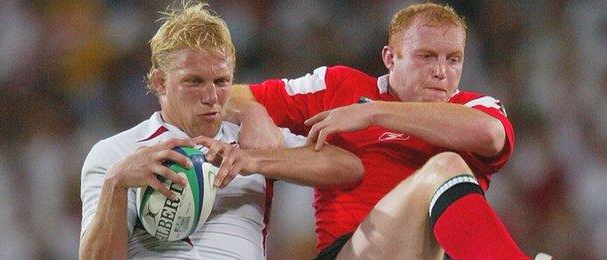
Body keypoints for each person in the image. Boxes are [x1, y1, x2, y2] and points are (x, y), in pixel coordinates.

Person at [228, 2, 552, 260]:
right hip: (353, 251)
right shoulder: (339, 86)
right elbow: (225, 95)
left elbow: (491, 135)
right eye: (426, 56)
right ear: (390, 58)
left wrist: (373, 112)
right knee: (446, 166)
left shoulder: (473, 106)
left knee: (446, 167)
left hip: (429, 254)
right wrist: (251, 109)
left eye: (454, 59)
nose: (441, 71)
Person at [78, 3, 363, 260]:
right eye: (194, 82)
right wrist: (116, 184)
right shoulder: (116, 153)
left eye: (222, 81)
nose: (211, 96)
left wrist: (255, 161)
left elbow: (349, 167)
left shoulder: (251, 141)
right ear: (160, 81)